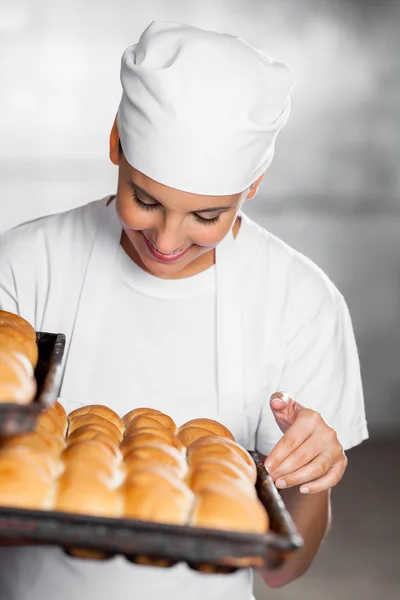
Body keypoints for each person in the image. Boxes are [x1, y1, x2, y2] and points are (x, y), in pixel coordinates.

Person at [0, 20, 367, 600]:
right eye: (145, 200)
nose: (168, 241)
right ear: (116, 142)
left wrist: (313, 480)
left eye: (206, 217)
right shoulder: (24, 265)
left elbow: (280, 569)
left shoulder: (302, 303)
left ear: (253, 185)